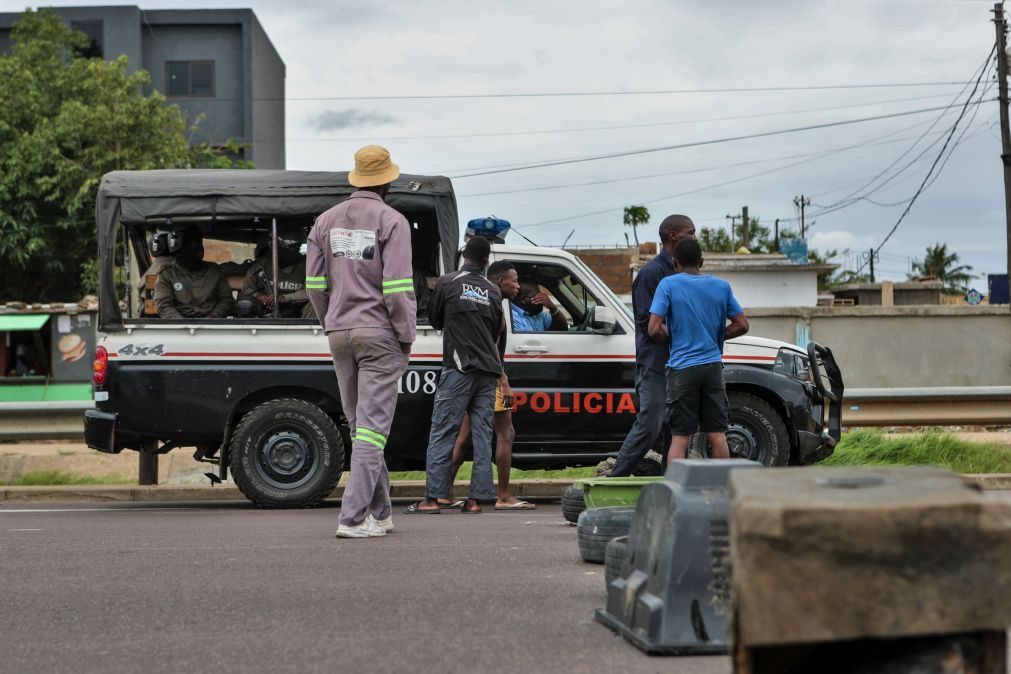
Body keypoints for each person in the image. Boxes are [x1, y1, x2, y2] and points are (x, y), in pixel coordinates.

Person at [306, 144, 416, 539]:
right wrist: (405, 336)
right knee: (371, 429)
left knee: (361, 428)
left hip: (339, 333)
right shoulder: (392, 221)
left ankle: (382, 512)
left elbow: (314, 285)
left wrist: (332, 322)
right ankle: (352, 518)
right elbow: (398, 288)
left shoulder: (324, 222)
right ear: (388, 181)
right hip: (380, 333)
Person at [406, 236, 503, 515]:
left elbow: (435, 319)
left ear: (464, 254)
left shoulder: (449, 282)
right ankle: (476, 500)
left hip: (459, 368)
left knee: (443, 431)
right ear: (486, 260)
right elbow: (496, 329)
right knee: (483, 435)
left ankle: (433, 499)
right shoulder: (493, 290)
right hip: (488, 371)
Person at [440, 260, 536, 510]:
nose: (517, 286)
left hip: (474, 375)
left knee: (463, 437)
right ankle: (503, 496)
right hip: (490, 378)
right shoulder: (493, 306)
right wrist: (503, 381)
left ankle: (443, 493)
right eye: (513, 281)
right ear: (499, 281)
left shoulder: (484, 304)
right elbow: (492, 347)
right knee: (506, 433)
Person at [608, 215, 697, 476]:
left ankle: (672, 484)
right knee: (651, 424)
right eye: (690, 233)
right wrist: (684, 337)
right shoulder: (651, 273)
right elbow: (649, 325)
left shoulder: (684, 272)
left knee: (677, 429)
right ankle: (615, 478)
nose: (694, 237)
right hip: (655, 364)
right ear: (672, 236)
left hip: (680, 364)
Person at [647, 238, 749, 462]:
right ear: (701, 261)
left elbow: (653, 329)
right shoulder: (721, 286)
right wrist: (716, 336)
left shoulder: (668, 285)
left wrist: (674, 334)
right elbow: (742, 324)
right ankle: (721, 491)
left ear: (674, 263)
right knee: (717, 435)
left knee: (680, 437)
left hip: (682, 369)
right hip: (712, 367)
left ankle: (675, 489)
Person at [154, 226, 235, 319]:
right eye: (191, 245)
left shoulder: (214, 271)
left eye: (199, 244)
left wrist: (213, 318)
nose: (198, 249)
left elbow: (226, 299)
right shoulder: (167, 274)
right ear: (179, 250)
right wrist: (183, 325)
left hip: (211, 323)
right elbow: (164, 305)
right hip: (179, 325)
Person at [238, 234, 310, 318]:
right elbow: (247, 290)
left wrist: (284, 298)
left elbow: (311, 292)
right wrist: (260, 296)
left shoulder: (307, 265)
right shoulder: (261, 266)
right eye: (291, 247)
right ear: (278, 248)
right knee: (245, 303)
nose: (295, 250)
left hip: (299, 313)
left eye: (297, 247)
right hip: (265, 313)